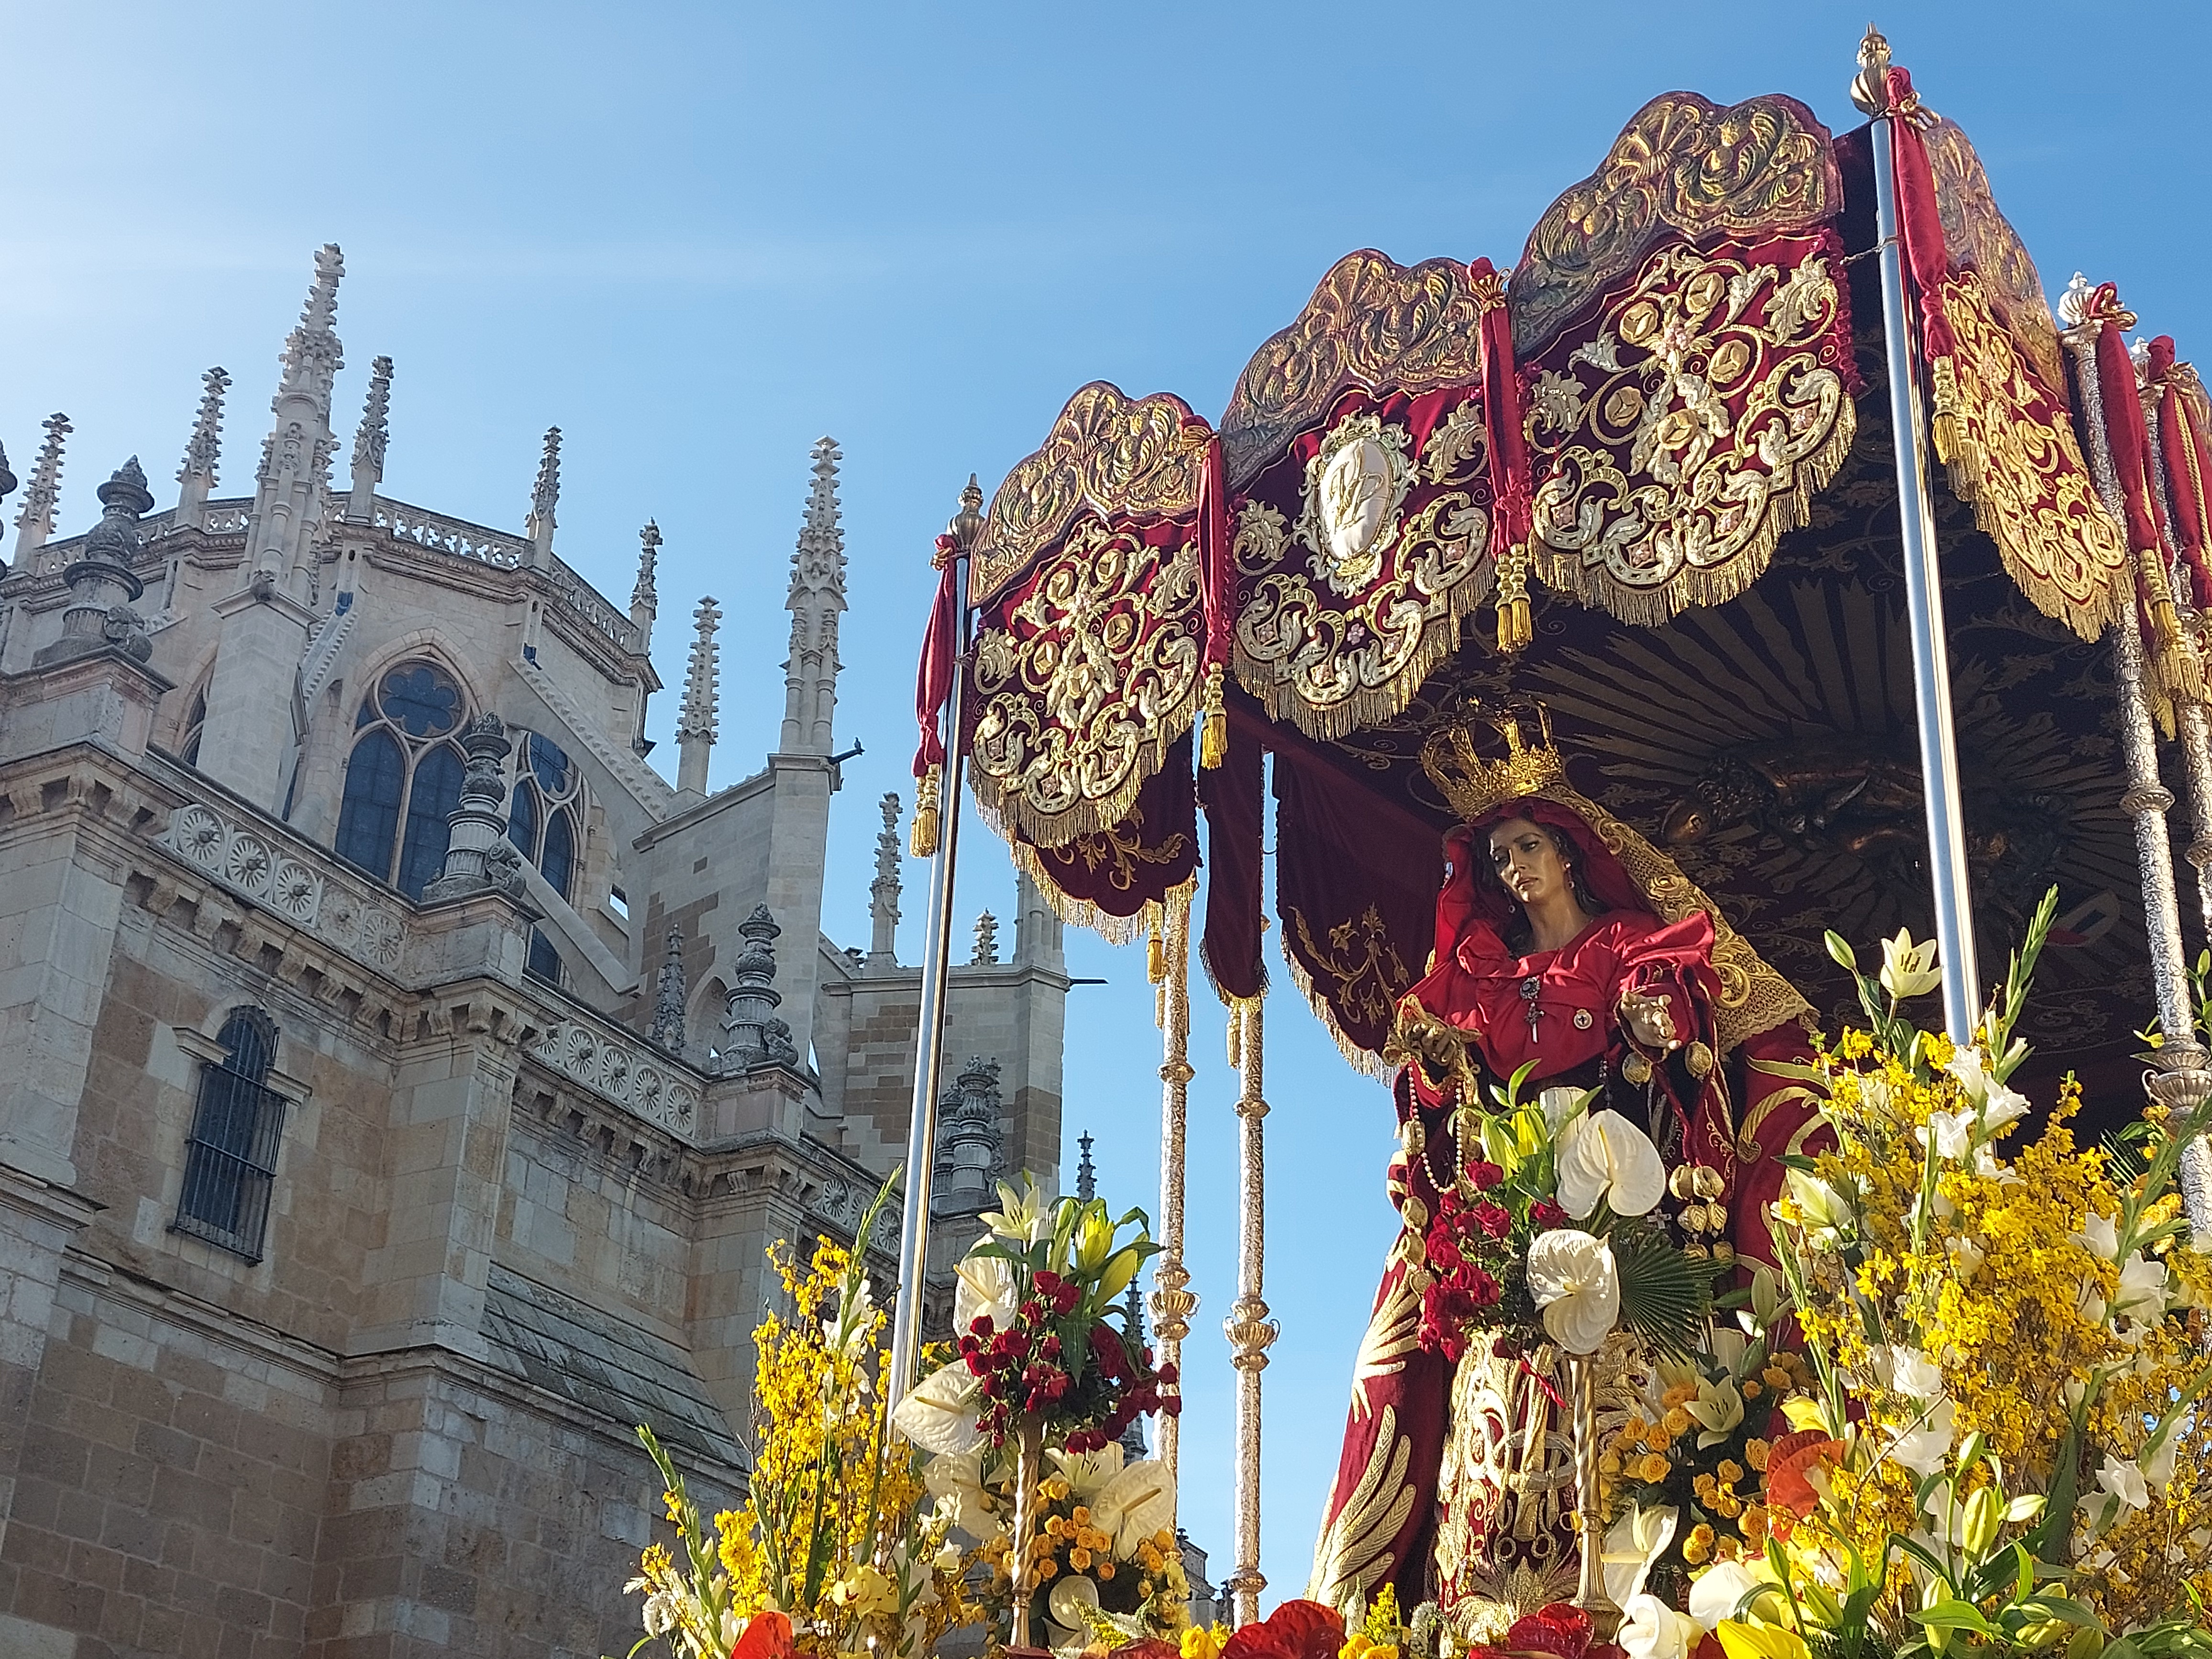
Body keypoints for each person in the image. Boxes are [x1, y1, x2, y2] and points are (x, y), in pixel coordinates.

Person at [1305, 757, 1823, 1633]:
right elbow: (1445, 1115)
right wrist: (1435, 1068)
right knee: (1458, 1425)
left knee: (1646, 1480)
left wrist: (1656, 1020)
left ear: (1571, 852)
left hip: (1633, 1245)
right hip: (1518, 1259)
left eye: (1529, 845)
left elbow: (1682, 1051)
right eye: (1500, 854)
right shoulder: (1478, 974)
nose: (1515, 866)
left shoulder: (1622, 947)